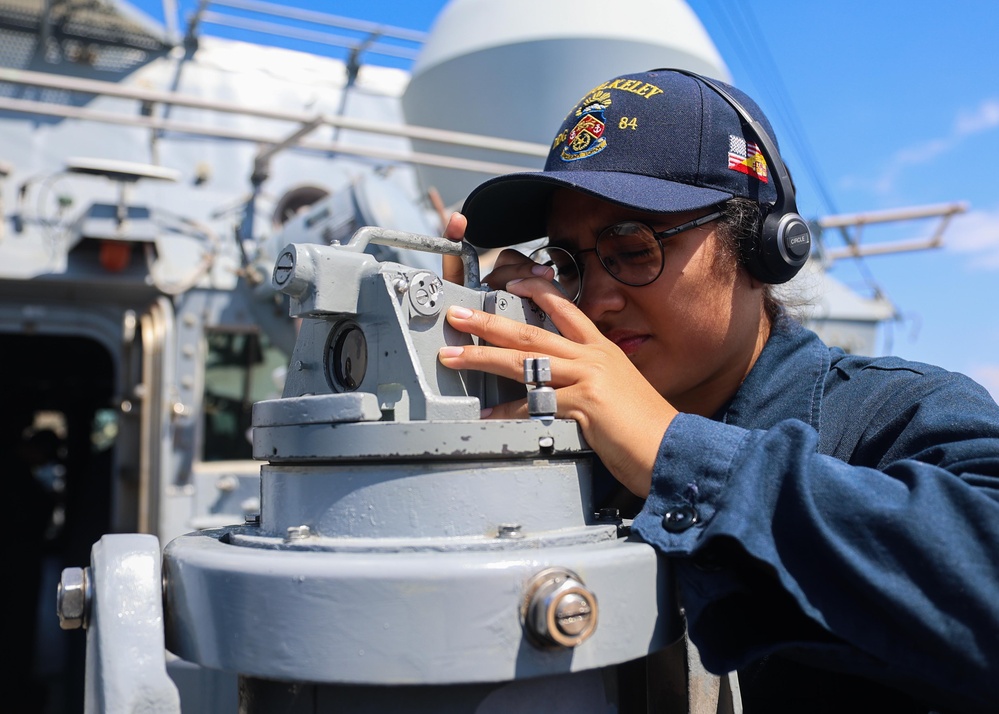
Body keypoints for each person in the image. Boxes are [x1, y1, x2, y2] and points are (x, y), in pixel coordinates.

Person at [436, 68, 999, 713]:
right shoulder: (567, 447)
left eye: (634, 245)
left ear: (761, 247)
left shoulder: (895, 415)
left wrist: (671, 454)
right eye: (568, 263)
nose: (596, 297)